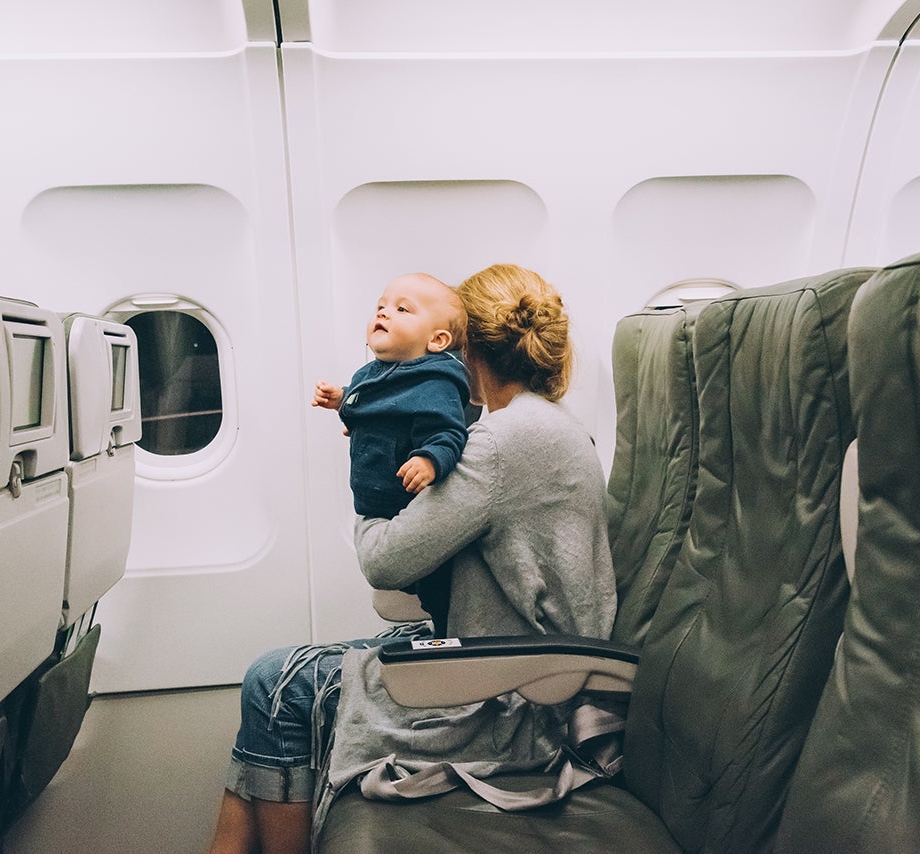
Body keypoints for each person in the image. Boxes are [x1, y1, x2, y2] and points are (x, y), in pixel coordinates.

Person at [209, 264, 617, 854]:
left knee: (276, 683)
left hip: (515, 699)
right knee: (282, 678)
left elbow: (383, 561)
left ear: (464, 347)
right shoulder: (544, 424)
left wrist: (372, 463)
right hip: (522, 670)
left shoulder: (500, 443)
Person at [312, 272, 469, 632]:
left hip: (409, 507)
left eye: (402, 309)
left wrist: (429, 460)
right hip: (377, 507)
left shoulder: (435, 383)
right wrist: (341, 399)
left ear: (437, 340)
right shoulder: (373, 372)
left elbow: (448, 433)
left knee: (439, 596)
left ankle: (446, 638)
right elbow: (368, 404)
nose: (383, 313)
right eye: (381, 306)